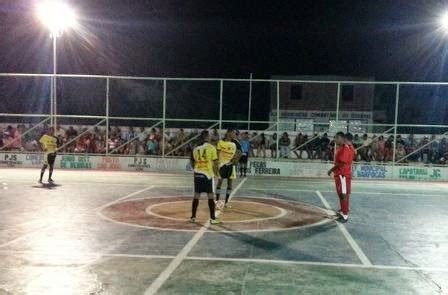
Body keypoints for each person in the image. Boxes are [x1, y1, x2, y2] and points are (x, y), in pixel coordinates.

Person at [190, 130, 221, 224]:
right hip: (207, 175)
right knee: (210, 196)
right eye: (209, 135)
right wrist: (216, 174)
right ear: (207, 137)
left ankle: (193, 217)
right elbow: (215, 163)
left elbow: (192, 161)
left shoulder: (195, 148)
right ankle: (213, 218)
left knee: (196, 195)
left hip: (197, 173)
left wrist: (196, 168)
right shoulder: (211, 147)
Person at [327, 132, 354, 222]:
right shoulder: (345, 148)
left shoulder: (345, 149)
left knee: (343, 194)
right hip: (341, 175)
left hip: (343, 175)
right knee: (342, 194)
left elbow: (341, 163)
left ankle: (345, 214)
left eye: (337, 138)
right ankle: (343, 210)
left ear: (343, 139)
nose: (335, 139)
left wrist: (331, 170)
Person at [216, 130, 240, 209]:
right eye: (233, 133)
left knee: (230, 184)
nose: (234, 134)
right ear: (229, 133)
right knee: (219, 183)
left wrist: (234, 160)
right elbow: (217, 153)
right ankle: (216, 201)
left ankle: (226, 202)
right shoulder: (221, 142)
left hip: (231, 166)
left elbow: (237, 154)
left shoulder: (234, 143)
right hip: (222, 165)